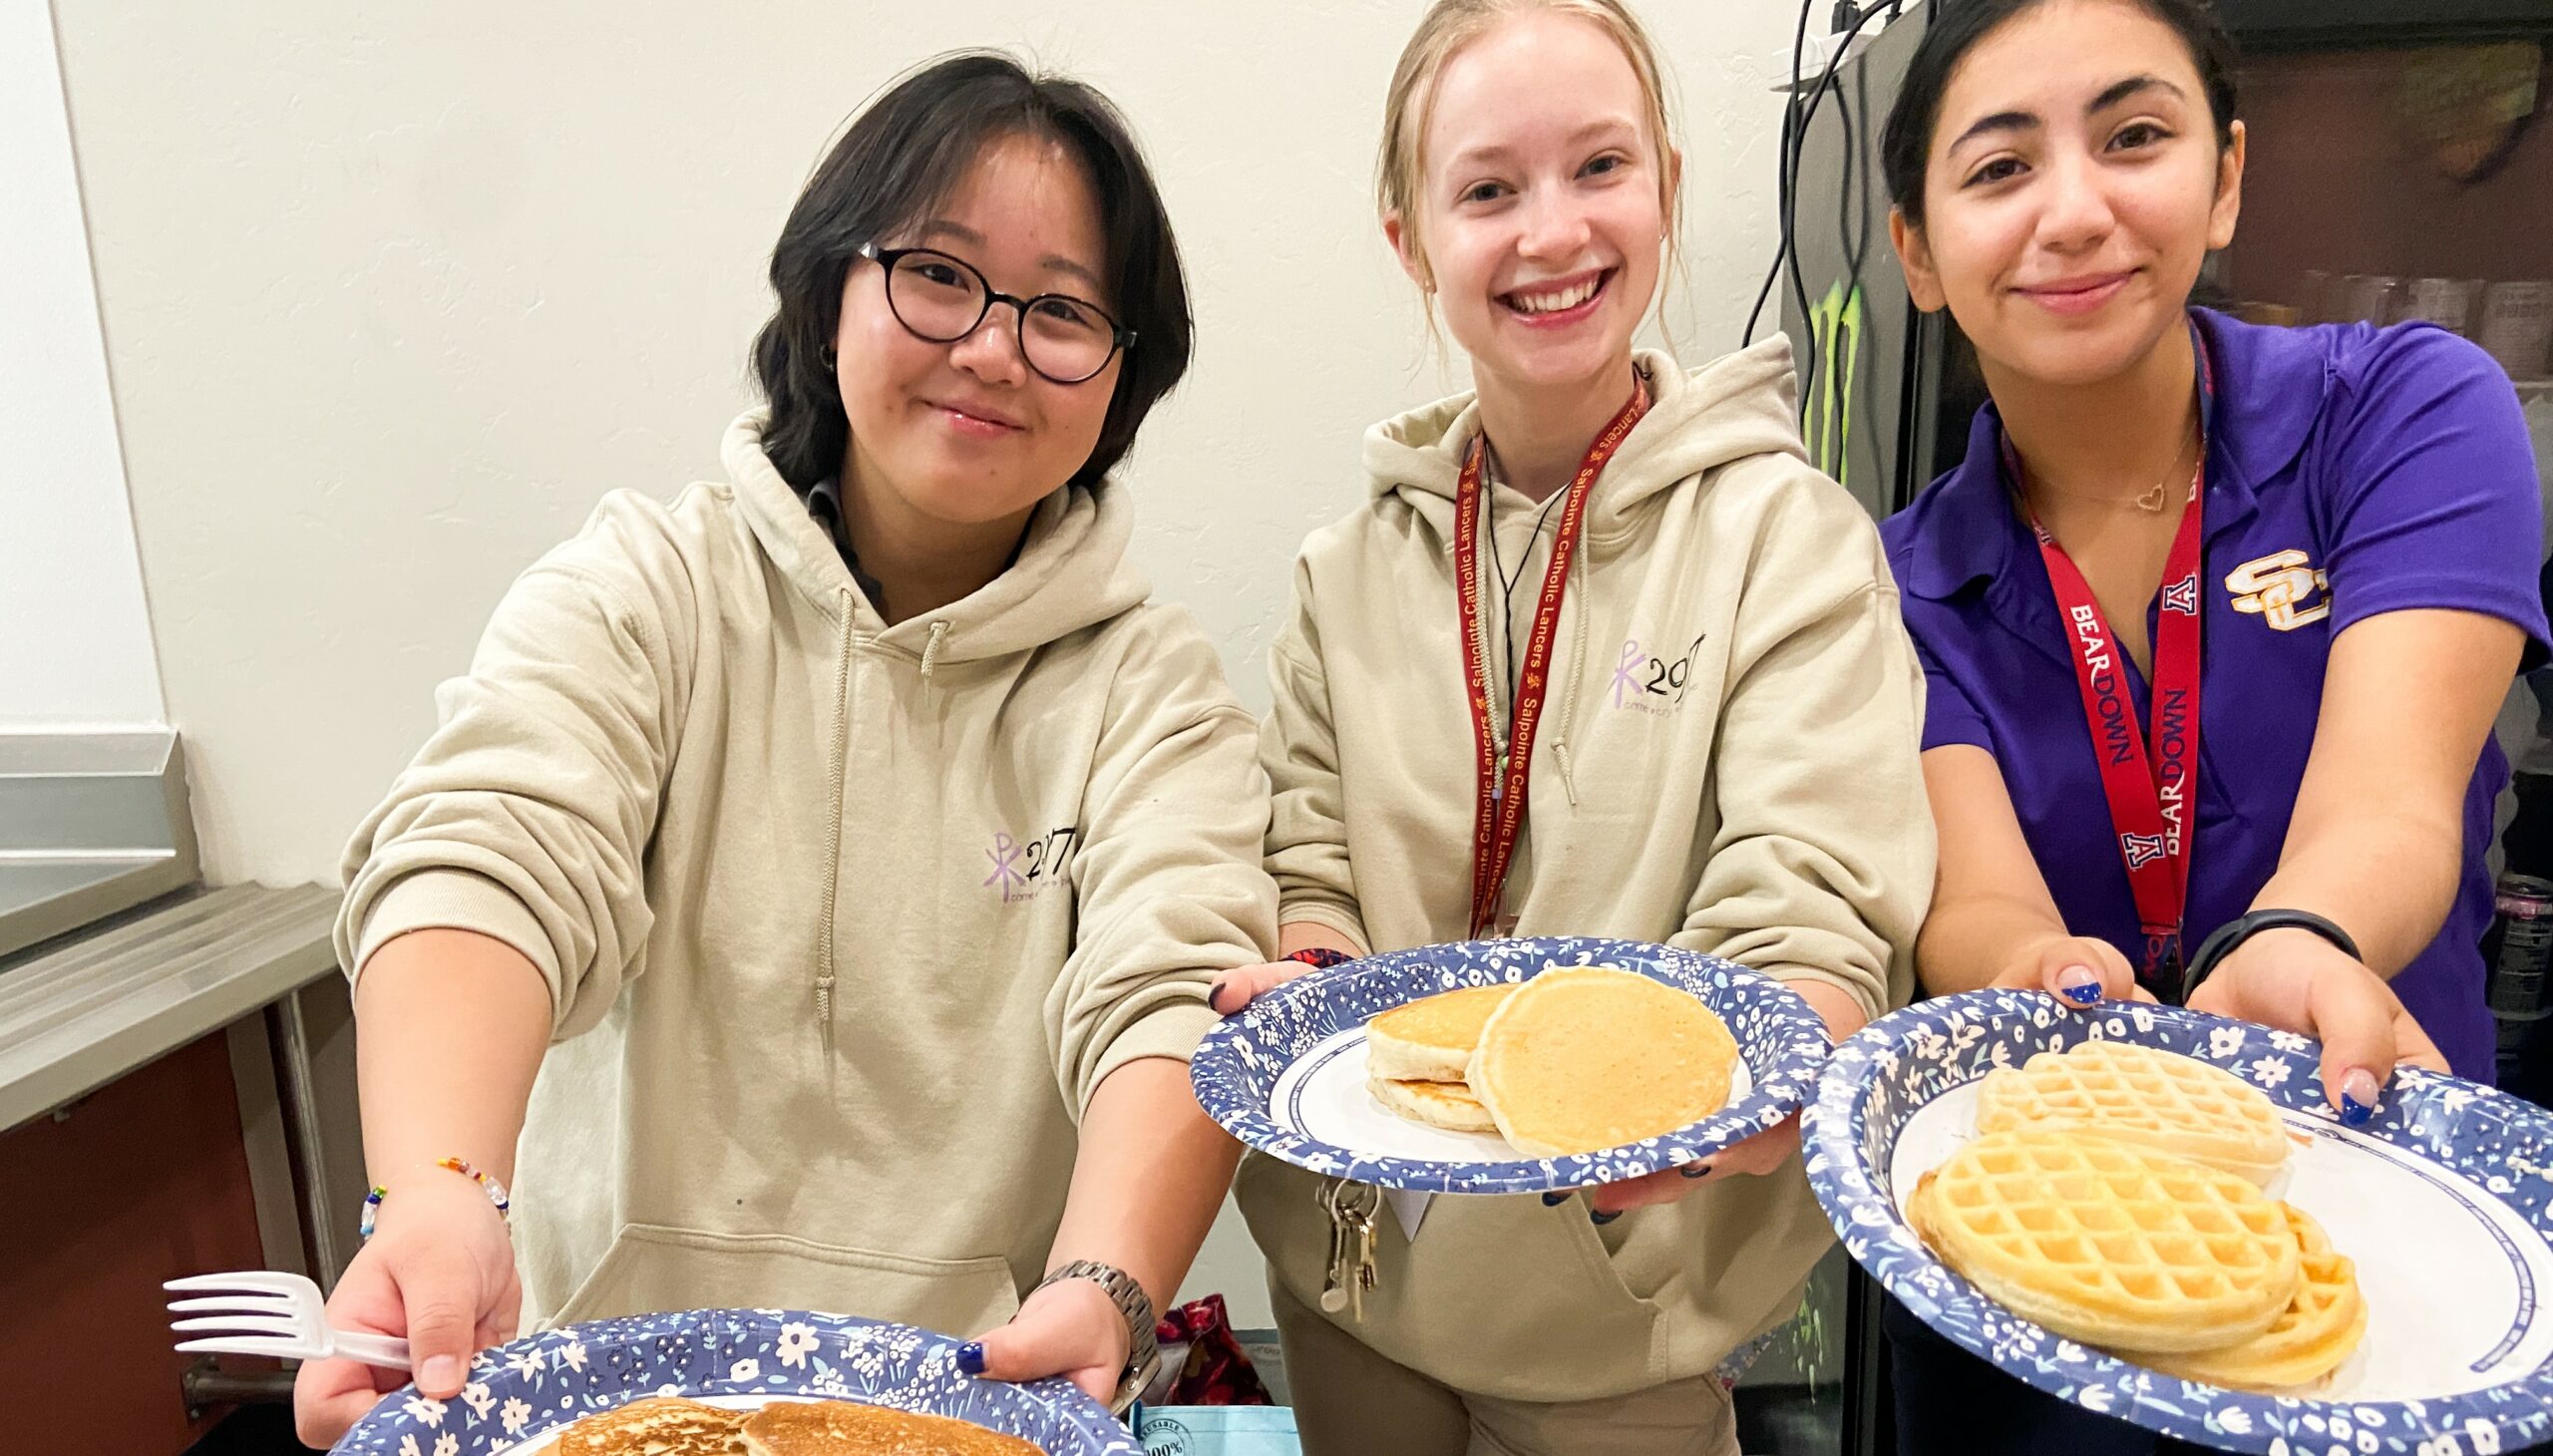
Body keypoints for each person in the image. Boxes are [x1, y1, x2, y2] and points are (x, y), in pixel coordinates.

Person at [294, 53, 1276, 1448]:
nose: (994, 347)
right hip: (601, 1391)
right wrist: (438, 1188)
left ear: (1120, 383)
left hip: (970, 1404)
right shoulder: (647, 587)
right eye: (940, 275)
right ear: (828, 301)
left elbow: (1171, 985)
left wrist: (1106, 1285)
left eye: (1062, 310)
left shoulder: (1150, 687)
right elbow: (488, 853)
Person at [1206, 3, 1935, 1452]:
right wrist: (1305, 971)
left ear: (1665, 182)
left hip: (1622, 1322)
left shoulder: (1788, 542)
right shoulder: (1341, 574)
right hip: (1354, 1283)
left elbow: (1810, 901)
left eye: (1600, 167)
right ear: (1412, 238)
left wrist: (1754, 1071)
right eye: (1488, 189)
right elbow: (1308, 864)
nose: (1553, 234)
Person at [1874, 1, 2548, 1449]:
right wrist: (2042, 970)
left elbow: (2392, 804)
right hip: (2042, 1284)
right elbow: (1973, 896)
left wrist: (2292, 941)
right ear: (1917, 253)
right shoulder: (1892, 585)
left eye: (2134, 138)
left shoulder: (2409, 415)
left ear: (2225, 176)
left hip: (2387, 1249)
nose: (2075, 209)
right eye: (1998, 170)